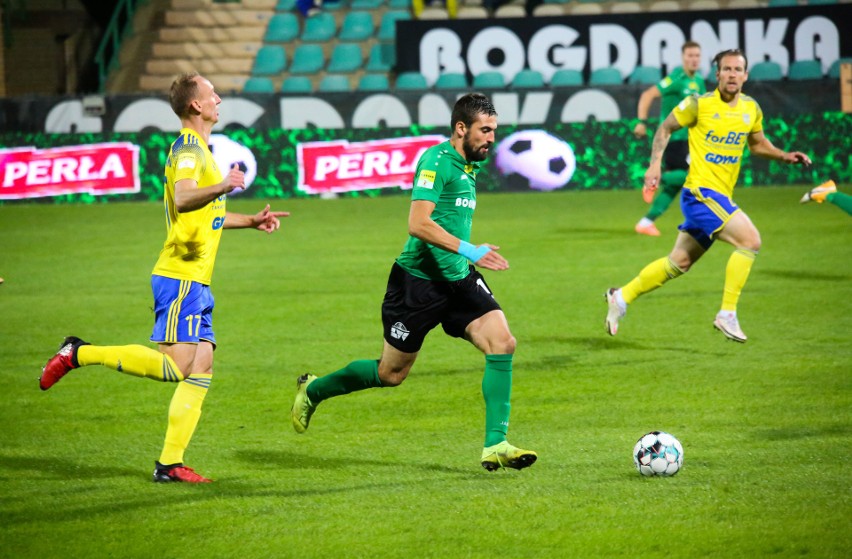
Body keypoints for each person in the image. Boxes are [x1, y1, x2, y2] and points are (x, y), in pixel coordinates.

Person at [39, 72, 289, 483]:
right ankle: (77, 352)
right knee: (176, 368)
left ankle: (170, 463)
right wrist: (225, 184)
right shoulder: (189, 149)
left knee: (202, 367)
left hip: (197, 279)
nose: (219, 100)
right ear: (195, 105)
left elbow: (208, 213)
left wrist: (251, 220)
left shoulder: (202, 150)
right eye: (213, 95)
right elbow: (186, 197)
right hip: (180, 276)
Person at [290, 93, 537, 472]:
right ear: (461, 128)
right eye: (484, 130)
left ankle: (495, 443)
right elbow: (418, 224)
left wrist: (464, 257)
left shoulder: (468, 164)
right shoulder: (436, 162)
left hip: (457, 279)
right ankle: (314, 390)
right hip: (417, 284)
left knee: (503, 342)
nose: (491, 138)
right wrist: (471, 250)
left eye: (494, 131)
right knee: (391, 374)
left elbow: (448, 220)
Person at [605, 49, 812, 343]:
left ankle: (622, 297)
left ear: (745, 75)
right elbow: (665, 128)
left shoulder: (750, 108)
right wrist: (654, 164)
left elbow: (757, 144)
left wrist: (785, 156)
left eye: (737, 69)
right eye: (726, 69)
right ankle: (727, 313)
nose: (732, 74)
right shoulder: (698, 104)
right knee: (750, 240)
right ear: (717, 74)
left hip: (718, 196)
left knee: (678, 263)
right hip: (701, 193)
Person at [633, 41, 706, 237]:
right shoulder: (676, 78)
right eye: (690, 55)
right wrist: (641, 121)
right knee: (692, 178)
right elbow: (648, 95)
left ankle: (646, 222)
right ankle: (652, 179)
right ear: (683, 58)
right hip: (674, 139)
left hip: (690, 139)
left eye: (697, 55)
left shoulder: (699, 80)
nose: (693, 59)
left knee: (674, 187)